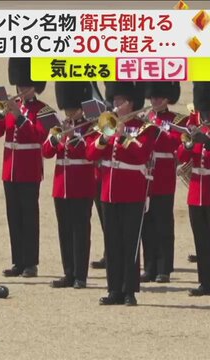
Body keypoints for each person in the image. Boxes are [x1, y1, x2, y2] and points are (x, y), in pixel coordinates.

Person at [86, 82, 159, 306]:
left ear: (131, 103)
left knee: (130, 243)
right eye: (115, 100)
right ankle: (114, 289)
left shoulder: (145, 128)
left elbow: (140, 154)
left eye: (120, 101)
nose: (115, 104)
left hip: (132, 191)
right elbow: (90, 153)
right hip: (109, 192)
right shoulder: (108, 124)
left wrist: (122, 136)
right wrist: (106, 137)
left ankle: (130, 291)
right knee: (113, 242)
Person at [0, 57, 57, 278]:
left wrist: (19, 119)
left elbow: (39, 136)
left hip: (29, 169)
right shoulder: (10, 107)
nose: (22, 90)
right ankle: (18, 260)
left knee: (29, 216)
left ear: (35, 87)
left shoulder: (44, 111)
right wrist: (1, 114)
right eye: (20, 86)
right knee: (13, 216)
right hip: (10, 168)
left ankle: (31, 262)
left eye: (26, 86)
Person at [42, 82, 96, 289]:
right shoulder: (60, 126)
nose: (70, 112)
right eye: (68, 109)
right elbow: (46, 152)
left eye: (73, 109)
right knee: (64, 231)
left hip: (81, 186)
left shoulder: (90, 128)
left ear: (81, 108)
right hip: (61, 186)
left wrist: (72, 138)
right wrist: (57, 139)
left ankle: (80, 275)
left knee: (80, 232)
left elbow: (88, 153)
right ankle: (69, 273)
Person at [140, 82, 186, 283]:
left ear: (167, 98)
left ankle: (164, 268)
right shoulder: (145, 118)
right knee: (147, 224)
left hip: (164, 176)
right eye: (153, 97)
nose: (155, 101)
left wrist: (159, 130)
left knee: (163, 223)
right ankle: (149, 266)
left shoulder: (177, 121)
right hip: (146, 177)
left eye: (159, 97)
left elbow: (176, 143)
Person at [177, 81, 210, 297]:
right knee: (201, 240)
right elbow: (182, 155)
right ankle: (205, 282)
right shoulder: (195, 121)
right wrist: (188, 145)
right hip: (197, 191)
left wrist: (207, 141)